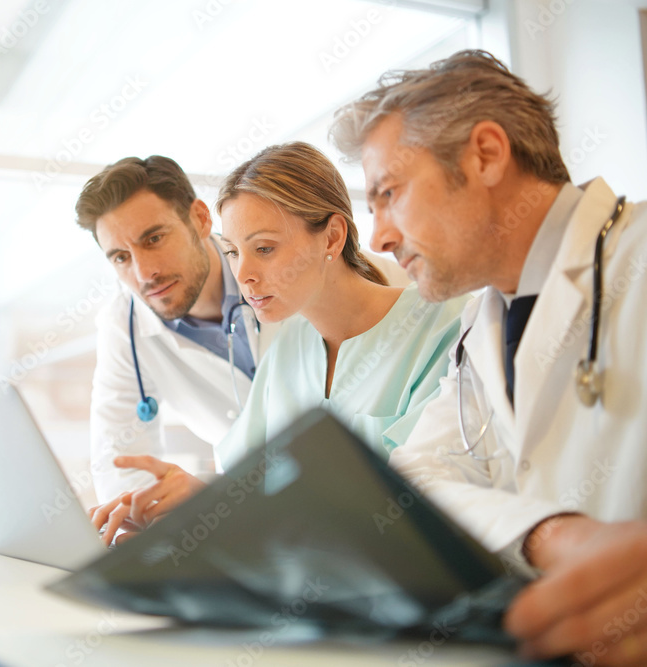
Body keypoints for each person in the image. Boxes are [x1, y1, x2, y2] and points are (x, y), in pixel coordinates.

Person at [330, 49, 647, 665]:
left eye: (389, 193)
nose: (379, 238)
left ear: (486, 155)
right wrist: (547, 534)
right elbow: (418, 477)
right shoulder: (482, 319)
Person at [92, 142, 469, 545]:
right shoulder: (290, 346)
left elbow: (414, 508)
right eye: (235, 252)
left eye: (265, 249)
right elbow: (244, 486)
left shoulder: (443, 326)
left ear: (332, 237)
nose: (245, 275)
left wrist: (214, 504)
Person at [75, 156, 283, 503]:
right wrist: (140, 520)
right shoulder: (123, 325)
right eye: (121, 257)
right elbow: (120, 463)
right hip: (250, 518)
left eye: (153, 239)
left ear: (200, 219)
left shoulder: (279, 268)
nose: (144, 273)